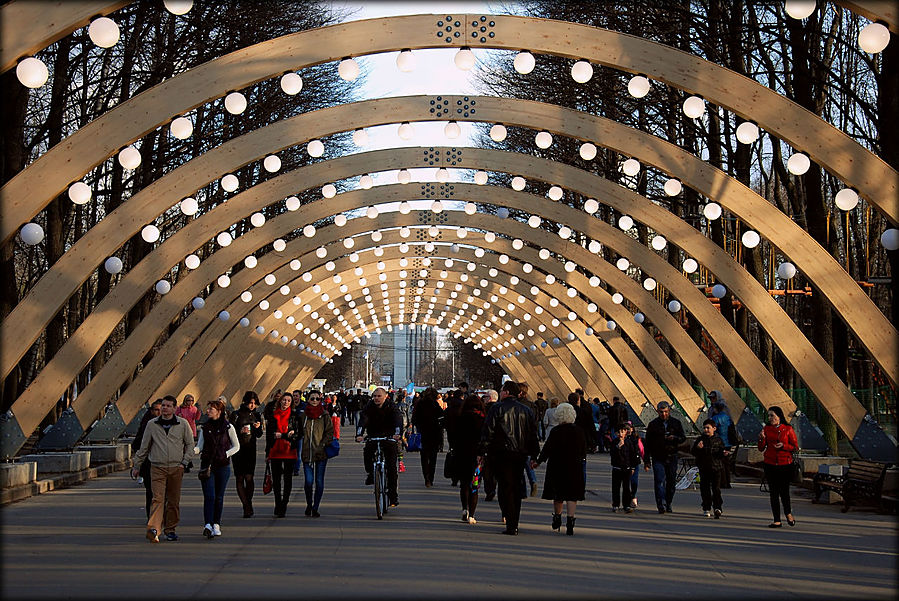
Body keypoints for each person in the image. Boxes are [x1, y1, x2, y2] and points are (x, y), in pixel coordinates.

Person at [478, 380, 539, 536]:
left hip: (500, 454)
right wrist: (534, 455)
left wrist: (482, 452)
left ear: (505, 392)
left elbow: (488, 431)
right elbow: (533, 434)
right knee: (515, 486)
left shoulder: (497, 409)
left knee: (505, 486)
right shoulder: (526, 410)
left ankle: (507, 516)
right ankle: (514, 521)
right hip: (519, 454)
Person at [131, 395, 194, 543]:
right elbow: (144, 447)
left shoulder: (182, 424)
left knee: (173, 501)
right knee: (157, 499)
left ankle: (170, 529)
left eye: (168, 406)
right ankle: (154, 529)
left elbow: (190, 444)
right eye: (163, 406)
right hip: (157, 467)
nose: (164, 408)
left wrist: (184, 462)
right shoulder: (152, 424)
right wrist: (137, 465)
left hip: (176, 467)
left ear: (174, 408)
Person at [535, 402, 585, 535]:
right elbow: (583, 450)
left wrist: (538, 461)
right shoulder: (579, 431)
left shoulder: (555, 431)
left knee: (558, 494)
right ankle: (570, 520)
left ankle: (557, 517)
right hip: (574, 466)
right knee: (572, 495)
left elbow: (547, 449)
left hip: (557, 465)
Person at [195, 399, 240, 539]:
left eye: (211, 409)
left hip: (223, 466)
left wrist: (225, 454)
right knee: (209, 496)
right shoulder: (205, 427)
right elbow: (200, 446)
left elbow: (236, 446)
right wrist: (192, 450)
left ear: (219, 412)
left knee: (219, 497)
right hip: (207, 465)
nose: (207, 411)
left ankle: (216, 524)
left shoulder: (228, 427)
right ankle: (208, 524)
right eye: (208, 409)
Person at [355, 387, 403, 507]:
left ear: (385, 396)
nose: (376, 398)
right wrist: (359, 434)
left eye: (379, 396)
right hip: (373, 435)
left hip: (389, 437)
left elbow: (398, 420)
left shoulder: (391, 407)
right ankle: (371, 473)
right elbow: (363, 420)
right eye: (374, 396)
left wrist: (397, 434)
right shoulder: (369, 407)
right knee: (367, 452)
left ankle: (393, 496)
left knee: (391, 468)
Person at [758, 405, 798, 528]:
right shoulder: (766, 429)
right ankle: (776, 519)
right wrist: (762, 439)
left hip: (785, 464)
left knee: (784, 491)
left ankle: (788, 513)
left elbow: (795, 447)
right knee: (773, 493)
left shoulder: (788, 429)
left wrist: (783, 446)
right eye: (769, 415)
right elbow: (761, 448)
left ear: (779, 416)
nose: (770, 418)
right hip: (770, 464)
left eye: (772, 415)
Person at [449, 394, 486, 524]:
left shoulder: (459, 417)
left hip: (461, 454)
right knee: (474, 485)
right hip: (476, 456)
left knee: (464, 484)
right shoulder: (482, 418)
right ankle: (472, 514)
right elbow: (484, 438)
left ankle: (464, 509)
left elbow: (453, 436)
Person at [644, 401, 686, 514]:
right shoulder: (653, 424)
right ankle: (660, 503)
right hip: (658, 456)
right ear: (657, 411)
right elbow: (647, 443)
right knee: (659, 480)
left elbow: (683, 437)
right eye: (661, 412)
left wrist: (675, 438)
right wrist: (646, 460)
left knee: (671, 482)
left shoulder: (675, 423)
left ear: (669, 411)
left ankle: (668, 502)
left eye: (666, 412)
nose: (664, 414)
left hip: (672, 456)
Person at [264, 391, 300, 517]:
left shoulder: (295, 416)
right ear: (280, 401)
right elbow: (269, 436)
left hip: (289, 451)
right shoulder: (273, 416)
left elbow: (298, 434)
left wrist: (283, 435)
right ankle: (278, 503)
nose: (286, 403)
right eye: (284, 400)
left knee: (288, 479)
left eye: (288, 401)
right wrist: (267, 453)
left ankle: (284, 503)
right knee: (277, 480)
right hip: (275, 451)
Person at [300, 391, 335, 518]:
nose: (315, 401)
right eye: (312, 398)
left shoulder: (324, 415)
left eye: (317, 399)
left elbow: (330, 432)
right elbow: (299, 431)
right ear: (308, 400)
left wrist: (323, 444)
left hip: (321, 453)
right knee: (309, 481)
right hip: (307, 453)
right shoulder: (303, 416)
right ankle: (309, 504)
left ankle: (315, 507)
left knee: (319, 481)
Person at [229, 391, 263, 518]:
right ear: (245, 402)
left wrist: (258, 427)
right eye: (250, 403)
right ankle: (246, 505)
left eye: (254, 403)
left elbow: (259, 434)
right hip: (238, 449)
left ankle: (248, 502)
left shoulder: (257, 415)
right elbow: (229, 431)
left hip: (250, 449)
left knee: (249, 478)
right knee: (240, 478)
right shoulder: (236, 415)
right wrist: (240, 430)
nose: (252, 405)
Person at [132, 399, 162, 519]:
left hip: (165, 464)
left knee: (163, 493)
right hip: (149, 464)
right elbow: (138, 445)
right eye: (156, 410)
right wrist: (137, 465)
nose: (159, 413)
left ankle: (161, 516)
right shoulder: (146, 425)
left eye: (161, 410)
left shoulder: (172, 424)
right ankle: (152, 517)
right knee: (151, 492)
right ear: (151, 411)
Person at [692, 418, 726, 518]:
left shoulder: (718, 440)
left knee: (716, 489)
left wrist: (723, 453)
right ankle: (706, 507)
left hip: (716, 468)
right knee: (705, 489)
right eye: (704, 428)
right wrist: (698, 448)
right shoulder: (700, 439)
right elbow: (693, 452)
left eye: (708, 428)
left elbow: (721, 453)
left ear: (714, 428)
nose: (706, 430)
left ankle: (717, 507)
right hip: (704, 468)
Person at [411, 387, 444, 487]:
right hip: (434, 433)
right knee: (433, 457)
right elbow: (442, 419)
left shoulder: (419, 404)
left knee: (424, 457)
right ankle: (431, 477)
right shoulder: (436, 405)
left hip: (423, 433)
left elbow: (414, 419)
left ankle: (426, 477)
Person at [610, 423, 641, 513]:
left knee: (626, 487)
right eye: (618, 432)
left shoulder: (628, 442)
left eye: (622, 432)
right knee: (616, 487)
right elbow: (612, 454)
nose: (620, 434)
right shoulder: (614, 442)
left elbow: (632, 455)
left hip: (626, 468)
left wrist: (632, 467)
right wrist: (618, 447)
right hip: (617, 468)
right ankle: (615, 504)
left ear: (625, 432)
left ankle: (626, 504)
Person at [708, 391, 735, 488]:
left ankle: (721, 482)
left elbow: (711, 428)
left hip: (719, 442)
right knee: (726, 462)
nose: (711, 400)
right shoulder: (727, 416)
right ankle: (727, 482)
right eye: (710, 398)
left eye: (713, 398)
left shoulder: (715, 417)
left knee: (719, 462)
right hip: (728, 442)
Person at [518, 382, 539, 497]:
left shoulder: (517, 405)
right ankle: (533, 481)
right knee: (528, 463)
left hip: (519, 440)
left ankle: (523, 490)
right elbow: (535, 423)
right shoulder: (532, 405)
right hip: (529, 439)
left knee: (520, 467)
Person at [480, 389, 499, 502]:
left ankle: (489, 490)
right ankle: (493, 487)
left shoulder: (485, 410)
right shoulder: (502, 408)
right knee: (495, 470)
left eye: (486, 396)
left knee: (487, 470)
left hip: (488, 444)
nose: (484, 399)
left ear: (490, 398)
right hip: (499, 445)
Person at [625, 422, 644, 509]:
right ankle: (628, 500)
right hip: (625, 464)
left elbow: (641, 450)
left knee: (634, 482)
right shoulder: (621, 439)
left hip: (635, 463)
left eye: (628, 429)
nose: (627, 431)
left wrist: (646, 461)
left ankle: (633, 496)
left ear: (632, 429)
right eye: (625, 429)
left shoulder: (636, 439)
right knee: (626, 483)